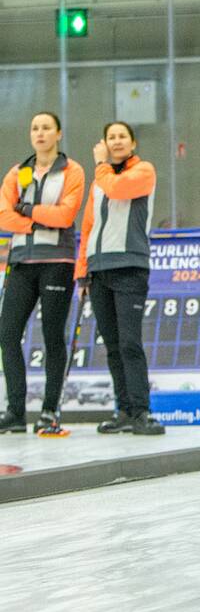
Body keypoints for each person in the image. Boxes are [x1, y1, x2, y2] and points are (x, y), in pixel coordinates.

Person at [75, 121, 163, 436]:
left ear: (133, 142)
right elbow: (88, 227)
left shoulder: (143, 172)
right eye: (110, 137)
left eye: (121, 136)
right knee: (112, 345)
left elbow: (118, 188)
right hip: (99, 270)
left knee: (129, 343)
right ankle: (124, 409)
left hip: (129, 267)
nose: (116, 141)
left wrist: (100, 165)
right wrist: (82, 270)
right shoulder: (100, 179)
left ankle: (142, 410)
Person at [0, 112, 85, 434]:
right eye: (35, 128)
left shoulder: (71, 171)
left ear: (58, 134)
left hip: (57, 263)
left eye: (46, 128)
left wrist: (26, 211)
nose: (40, 133)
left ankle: (50, 410)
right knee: (7, 334)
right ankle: (15, 412)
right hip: (22, 262)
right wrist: (36, 221)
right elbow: (3, 217)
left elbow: (65, 216)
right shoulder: (19, 172)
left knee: (52, 337)